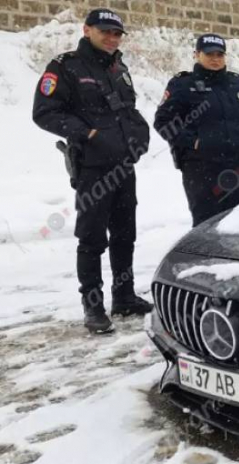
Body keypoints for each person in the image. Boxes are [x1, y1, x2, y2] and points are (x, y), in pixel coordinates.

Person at [32, 8, 152, 335]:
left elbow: (127, 110)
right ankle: (93, 306)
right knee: (92, 238)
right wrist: (88, 134)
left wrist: (139, 135)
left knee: (125, 235)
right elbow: (44, 113)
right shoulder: (65, 66)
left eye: (117, 33)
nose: (112, 38)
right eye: (105, 31)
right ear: (87, 30)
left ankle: (124, 297)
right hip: (92, 168)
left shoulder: (118, 68)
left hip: (123, 166)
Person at [154, 34, 239, 227]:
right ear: (197, 54)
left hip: (237, 165)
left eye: (219, 54)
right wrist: (194, 142)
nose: (215, 59)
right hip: (201, 169)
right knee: (206, 226)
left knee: (238, 223)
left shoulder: (237, 83)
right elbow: (163, 122)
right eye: (209, 54)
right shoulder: (183, 85)